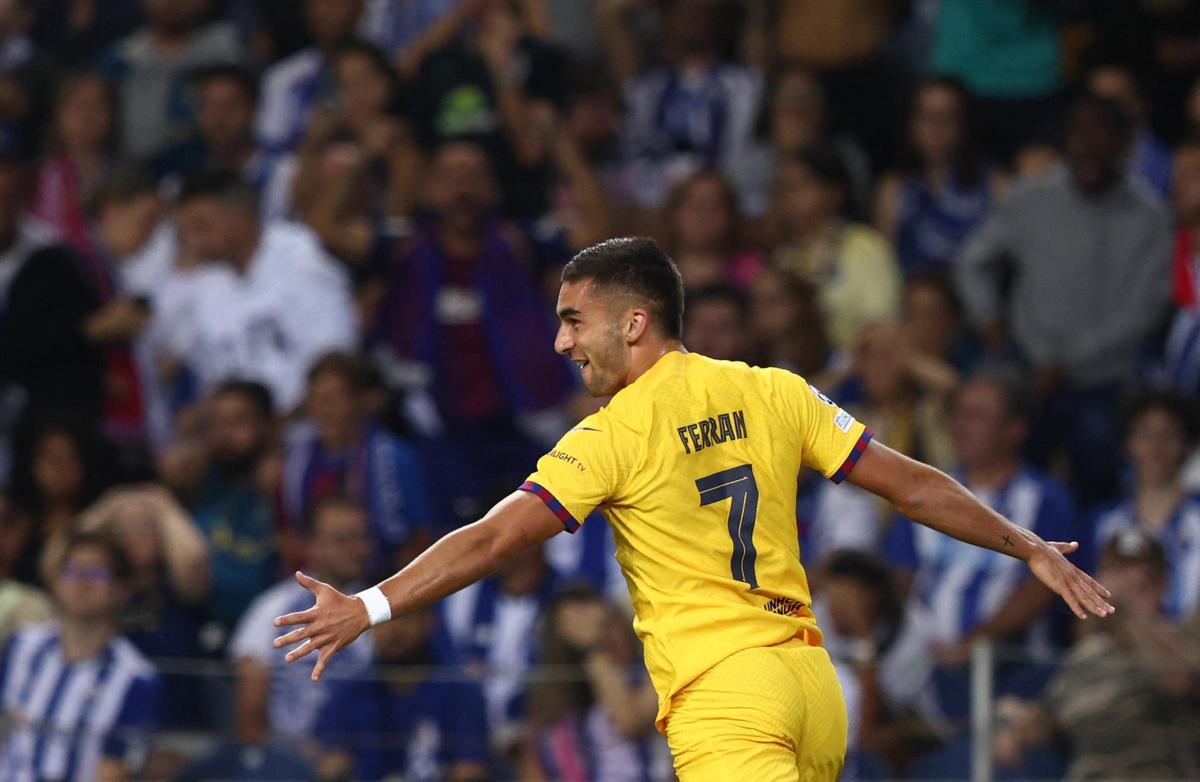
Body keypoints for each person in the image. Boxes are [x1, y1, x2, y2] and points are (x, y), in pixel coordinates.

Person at [274, 237, 1112, 781]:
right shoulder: (773, 390)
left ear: (634, 322)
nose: (561, 342)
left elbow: (494, 538)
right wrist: (1025, 544)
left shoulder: (612, 435)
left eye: (575, 321)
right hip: (811, 687)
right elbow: (915, 484)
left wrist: (370, 604)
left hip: (727, 697)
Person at [956, 91, 1172, 505]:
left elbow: (1145, 310)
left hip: (1105, 382)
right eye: (1079, 132)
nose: (1090, 143)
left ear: (1123, 143)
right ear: (1064, 140)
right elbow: (973, 262)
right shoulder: (1030, 197)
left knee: (1097, 469)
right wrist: (989, 319)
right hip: (1025, 366)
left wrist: (1067, 362)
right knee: (1001, 476)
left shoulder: (1149, 216)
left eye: (1102, 132)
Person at [886, 369, 1080, 724]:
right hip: (921, 666)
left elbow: (1041, 587)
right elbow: (900, 576)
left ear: (1015, 430)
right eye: (959, 413)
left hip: (1005, 665)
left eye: (978, 416)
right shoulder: (927, 491)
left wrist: (974, 644)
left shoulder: (1043, 500)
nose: (962, 425)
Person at [993, 532, 1200, 780]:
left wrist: (1129, 609)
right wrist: (1015, 723)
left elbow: (1181, 680)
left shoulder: (1184, 642)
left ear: (1164, 585)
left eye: (1145, 583)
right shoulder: (1088, 656)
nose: (1126, 590)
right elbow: (1048, 719)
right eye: (1117, 577)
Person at [152, 169, 357, 413]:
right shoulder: (208, 281)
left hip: (309, 429)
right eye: (185, 231)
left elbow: (335, 370)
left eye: (201, 226)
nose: (194, 242)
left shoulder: (302, 263)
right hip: (246, 437)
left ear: (240, 218)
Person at [0, 530, 160, 781]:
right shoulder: (21, 647)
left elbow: (115, 771)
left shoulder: (134, 677)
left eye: (95, 574)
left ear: (121, 589)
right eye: (72, 571)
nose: (80, 583)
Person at [231, 494, 375, 745]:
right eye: (343, 540)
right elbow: (249, 711)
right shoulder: (272, 609)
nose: (358, 550)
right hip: (284, 759)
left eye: (361, 538)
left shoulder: (379, 607)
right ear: (312, 545)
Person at [281, 351, 435, 573]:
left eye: (335, 398)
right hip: (319, 577)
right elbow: (289, 535)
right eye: (318, 399)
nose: (327, 409)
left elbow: (421, 534)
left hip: (384, 577)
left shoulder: (394, 455)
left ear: (359, 401)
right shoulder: (295, 459)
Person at [160, 379, 280, 633]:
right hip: (197, 622)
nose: (225, 434)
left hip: (272, 625)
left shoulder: (287, 486)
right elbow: (171, 467)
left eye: (239, 422)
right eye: (216, 423)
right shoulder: (198, 480)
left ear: (268, 426)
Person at [315, 607, 490, 782]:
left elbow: (469, 770)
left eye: (405, 618)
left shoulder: (458, 688)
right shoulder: (350, 690)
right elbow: (330, 763)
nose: (395, 631)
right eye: (382, 621)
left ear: (429, 622)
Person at [524, 588, 671, 782]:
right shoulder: (553, 699)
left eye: (606, 624)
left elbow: (631, 723)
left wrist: (592, 650)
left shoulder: (653, 672)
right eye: (581, 629)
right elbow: (532, 771)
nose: (603, 636)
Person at [771, 146, 902, 350]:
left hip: (855, 369)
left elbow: (882, 323)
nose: (789, 197)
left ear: (834, 191)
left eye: (799, 186)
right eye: (784, 187)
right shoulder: (782, 257)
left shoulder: (864, 246)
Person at [875, 77, 999, 276]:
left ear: (965, 124)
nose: (936, 129)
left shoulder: (995, 183)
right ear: (911, 123)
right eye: (927, 117)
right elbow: (885, 266)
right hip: (914, 299)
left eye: (947, 118)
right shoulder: (893, 187)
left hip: (974, 300)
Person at [1093, 390, 1200, 621]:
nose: (1155, 446)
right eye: (1144, 434)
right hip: (1113, 647)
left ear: (1186, 446)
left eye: (1167, 435)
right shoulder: (1103, 522)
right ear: (1128, 445)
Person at [101, 0, 243, 159]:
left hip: (211, 174)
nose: (172, 2)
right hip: (132, 174)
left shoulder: (230, 55)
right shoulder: (121, 60)